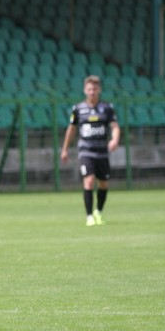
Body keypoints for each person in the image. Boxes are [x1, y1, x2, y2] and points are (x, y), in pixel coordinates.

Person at [60, 75, 120, 226]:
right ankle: (89, 216)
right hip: (86, 150)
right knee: (89, 180)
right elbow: (71, 130)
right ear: (84, 90)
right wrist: (65, 149)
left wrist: (114, 139)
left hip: (102, 151)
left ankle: (98, 212)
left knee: (104, 183)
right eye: (89, 89)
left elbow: (115, 127)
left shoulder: (107, 108)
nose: (92, 92)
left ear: (99, 90)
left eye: (94, 89)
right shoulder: (78, 109)